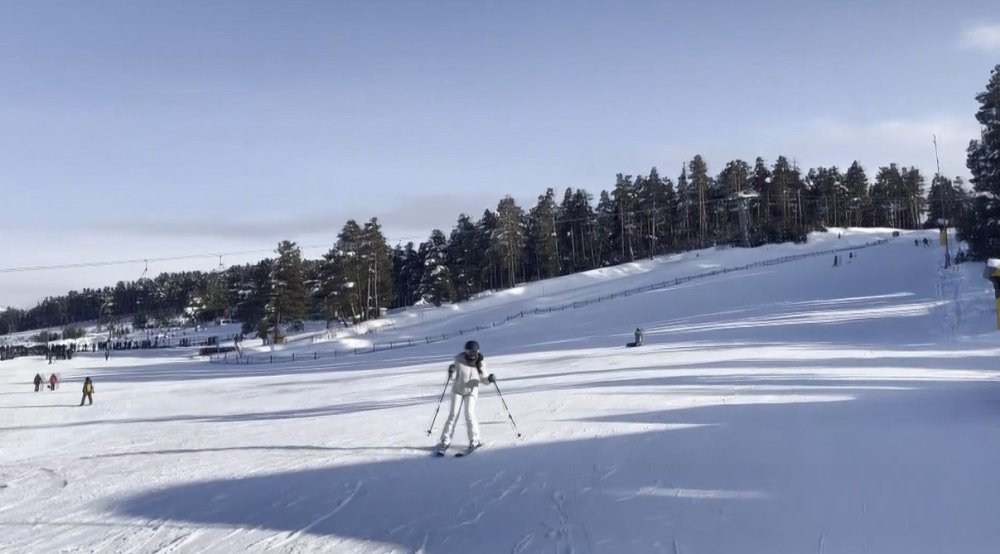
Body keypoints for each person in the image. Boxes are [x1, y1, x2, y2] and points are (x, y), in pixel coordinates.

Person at [436, 340, 494, 454]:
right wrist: (451, 371)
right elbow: (453, 377)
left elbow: (483, 379)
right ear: (465, 351)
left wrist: (489, 379)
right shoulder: (459, 360)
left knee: (469, 414)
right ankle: (445, 441)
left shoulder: (480, 362)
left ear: (477, 352)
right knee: (453, 415)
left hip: (472, 390)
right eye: (469, 351)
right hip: (457, 390)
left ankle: (474, 440)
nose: (471, 354)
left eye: (473, 352)